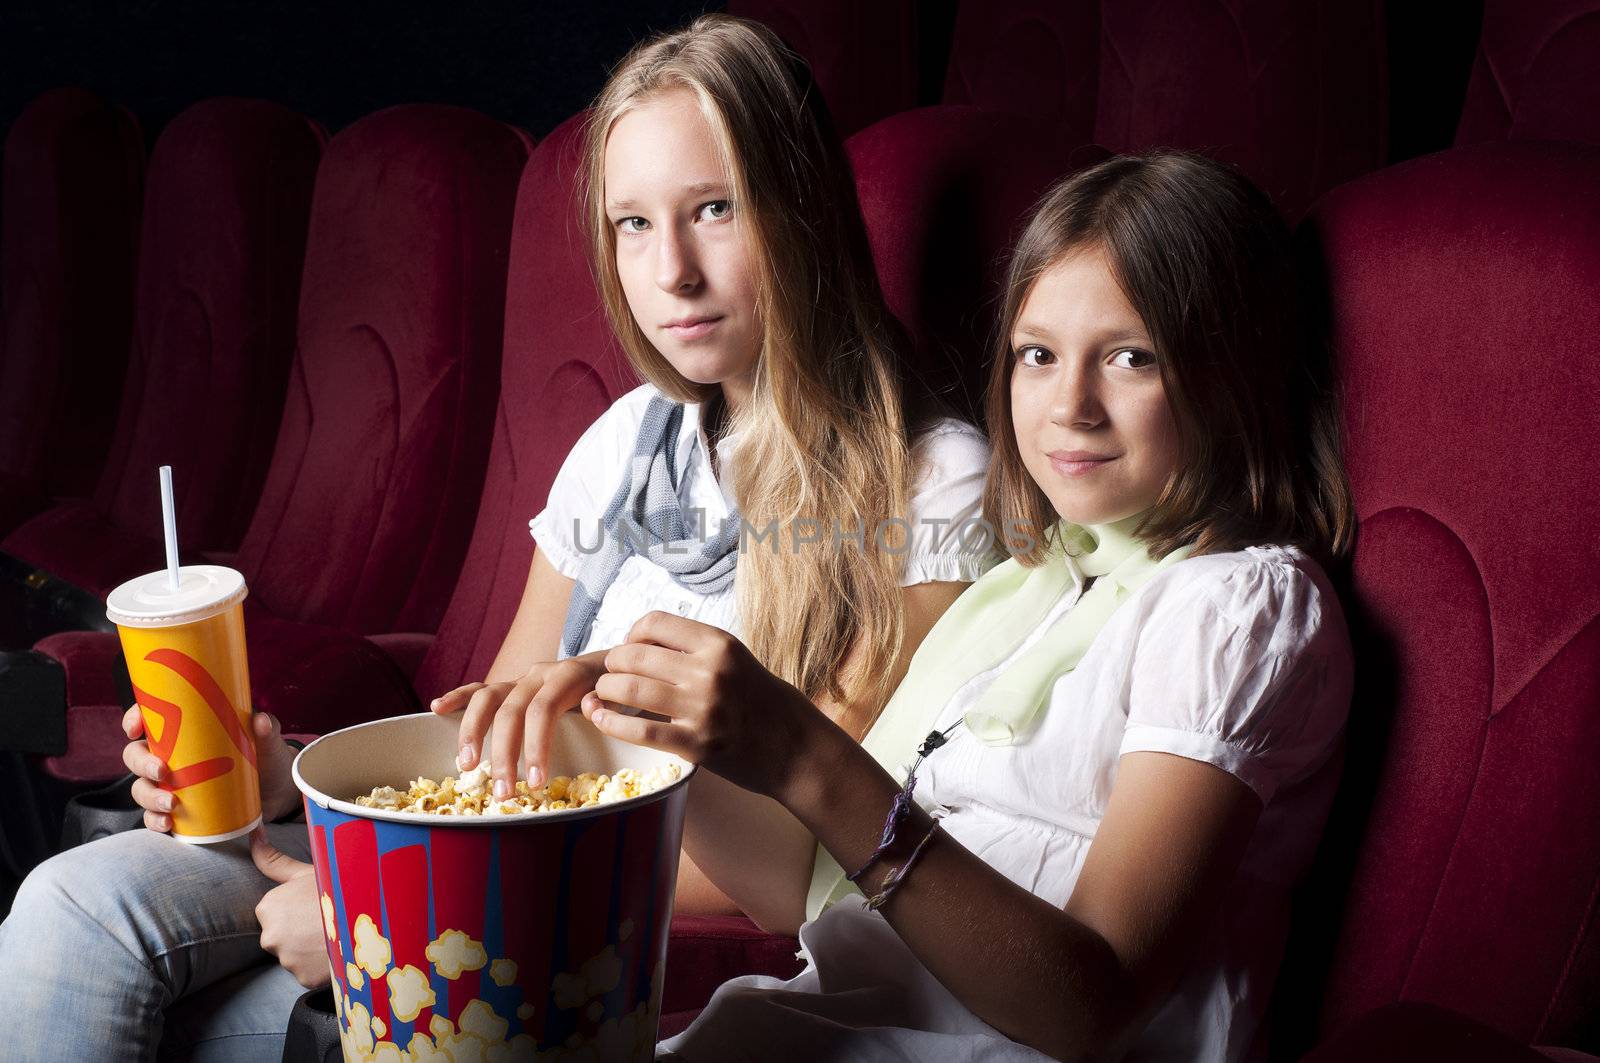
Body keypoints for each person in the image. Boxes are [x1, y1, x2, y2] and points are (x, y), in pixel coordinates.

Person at [0, 16, 994, 1061]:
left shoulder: (933, 485)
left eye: (714, 209)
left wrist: (405, 919)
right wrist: (291, 775)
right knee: (75, 898)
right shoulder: (625, 436)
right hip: (467, 862)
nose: (674, 272)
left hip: (595, 921)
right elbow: (487, 743)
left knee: (155, 982)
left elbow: (808, 859)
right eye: (633, 225)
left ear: (802, 210)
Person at [569, 151, 1356, 1061]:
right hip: (851, 1019)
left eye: (1132, 357)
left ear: (1233, 376)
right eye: (1038, 354)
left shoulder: (1238, 605)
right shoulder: (1029, 595)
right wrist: (669, 731)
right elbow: (807, 896)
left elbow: (1089, 1005)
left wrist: (804, 751)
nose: (1071, 405)